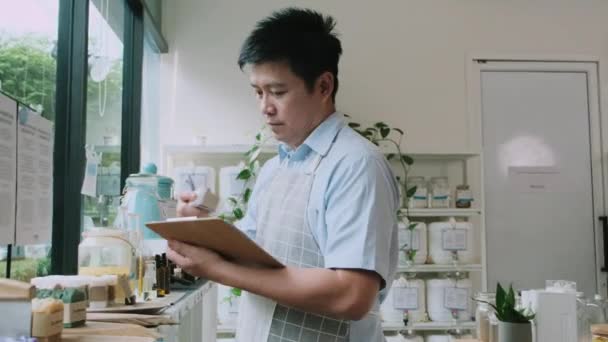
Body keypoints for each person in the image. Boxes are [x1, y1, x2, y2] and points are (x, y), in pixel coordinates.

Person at [169, 7, 399, 342]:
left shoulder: (355, 164)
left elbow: (351, 294)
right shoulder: (275, 168)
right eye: (258, 92)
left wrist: (217, 270)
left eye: (277, 92)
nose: (265, 107)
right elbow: (252, 253)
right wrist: (200, 228)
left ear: (323, 86)